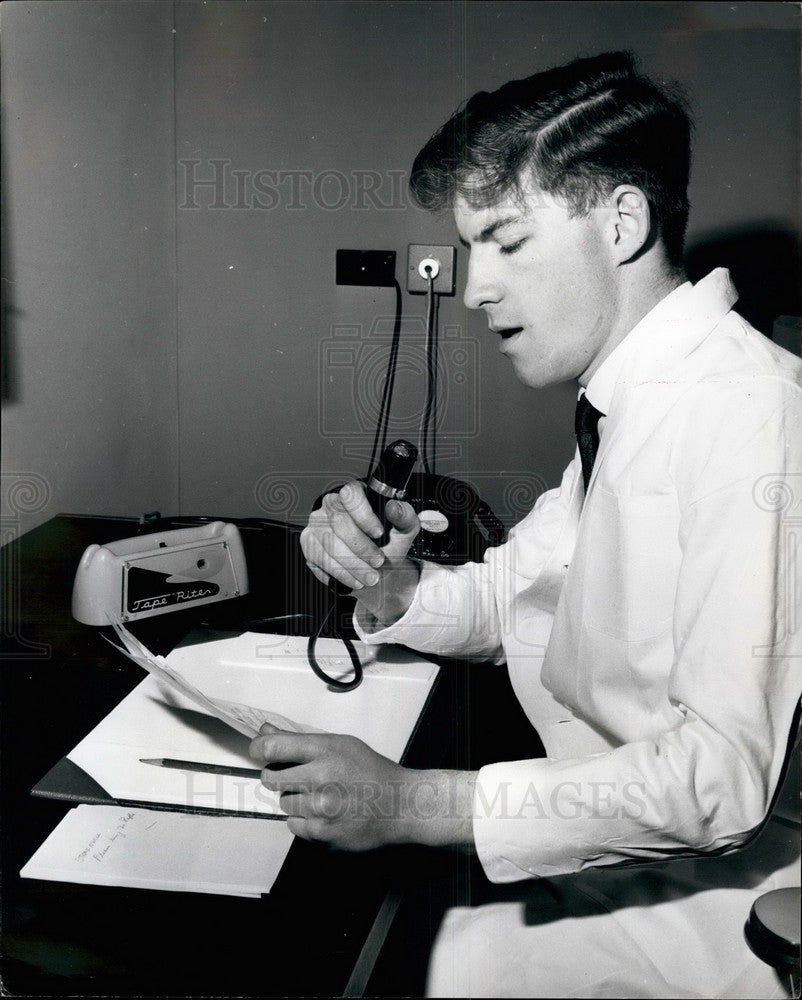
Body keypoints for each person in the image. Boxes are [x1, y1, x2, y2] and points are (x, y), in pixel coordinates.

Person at [250, 52, 802, 997]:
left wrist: (415, 804)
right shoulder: (637, 397)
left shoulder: (751, 415)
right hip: (618, 863)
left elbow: (718, 781)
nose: (473, 289)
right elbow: (518, 593)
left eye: (506, 242)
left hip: (726, 907)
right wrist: (391, 582)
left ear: (621, 224)